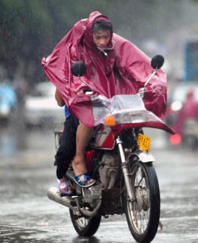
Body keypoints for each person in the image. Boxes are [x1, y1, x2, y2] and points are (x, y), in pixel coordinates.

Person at [42, 11, 167, 192]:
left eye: (106, 37)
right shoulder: (77, 50)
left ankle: (140, 153)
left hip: (112, 105)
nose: (102, 41)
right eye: (98, 37)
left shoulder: (115, 48)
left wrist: (150, 81)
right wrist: (80, 89)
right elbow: (69, 83)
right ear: (89, 35)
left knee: (136, 123)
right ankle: (78, 160)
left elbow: (134, 63)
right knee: (82, 127)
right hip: (82, 107)